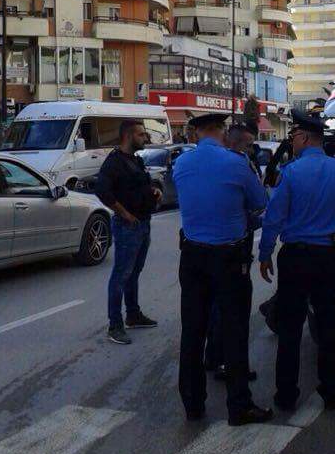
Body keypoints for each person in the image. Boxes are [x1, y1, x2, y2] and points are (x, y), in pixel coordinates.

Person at [259, 109, 335, 411]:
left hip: (295, 259)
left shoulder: (291, 173)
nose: (291, 141)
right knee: (329, 327)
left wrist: (265, 253)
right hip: (329, 258)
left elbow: (273, 219)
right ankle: (332, 392)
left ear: (306, 137)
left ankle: (285, 396)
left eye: (293, 136)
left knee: (290, 329)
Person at [173, 112, 271, 425]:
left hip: (191, 256)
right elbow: (259, 203)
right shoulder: (236, 164)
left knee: (192, 331)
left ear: (195, 134)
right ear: (221, 131)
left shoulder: (181, 164)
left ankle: (192, 404)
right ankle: (239, 406)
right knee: (234, 330)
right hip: (229, 258)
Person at [94, 120, 161, 345]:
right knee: (121, 275)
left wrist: (154, 191)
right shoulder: (114, 162)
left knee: (134, 272)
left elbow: (142, 185)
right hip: (128, 226)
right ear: (128, 136)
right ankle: (115, 325)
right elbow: (102, 191)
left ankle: (133, 314)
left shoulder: (135, 161)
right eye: (141, 135)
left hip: (143, 223)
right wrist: (124, 214)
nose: (146, 138)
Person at [206, 119, 261, 381]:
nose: (252, 149)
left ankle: (215, 357)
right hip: (232, 244)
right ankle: (226, 363)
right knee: (230, 309)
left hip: (222, 243)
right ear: (238, 143)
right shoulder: (236, 165)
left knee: (220, 304)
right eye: (249, 144)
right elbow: (257, 201)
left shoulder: (232, 163)